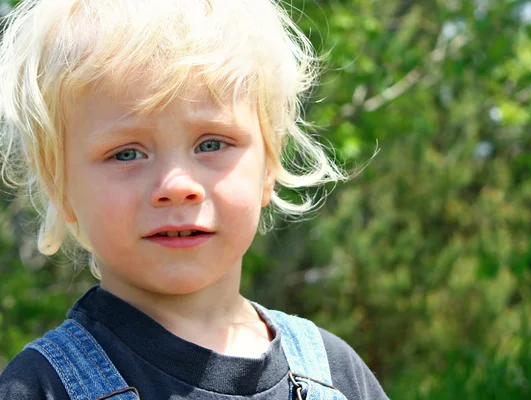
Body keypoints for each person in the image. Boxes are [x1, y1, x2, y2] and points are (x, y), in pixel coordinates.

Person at [0, 0, 388, 399]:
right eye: (127, 153)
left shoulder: (335, 374)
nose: (176, 184)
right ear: (59, 186)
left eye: (212, 143)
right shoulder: (39, 387)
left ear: (269, 164)